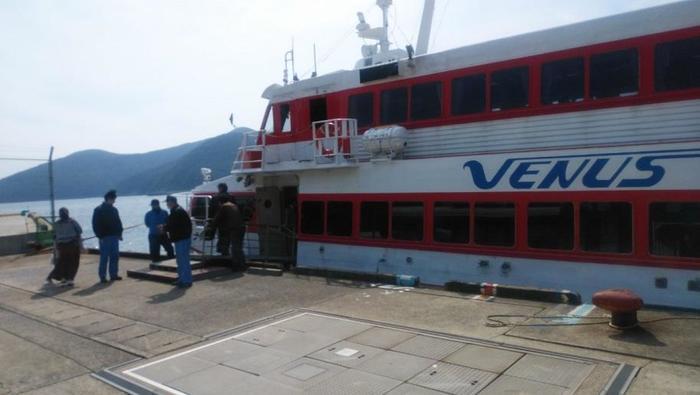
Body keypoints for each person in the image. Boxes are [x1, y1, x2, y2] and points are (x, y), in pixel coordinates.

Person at [92, 189, 123, 283]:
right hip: (104, 238)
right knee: (104, 258)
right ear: (109, 198)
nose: (115, 201)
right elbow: (95, 224)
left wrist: (119, 233)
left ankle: (113, 275)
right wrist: (99, 236)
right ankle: (102, 276)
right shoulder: (98, 209)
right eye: (114, 199)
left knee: (115, 256)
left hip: (114, 237)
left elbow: (118, 222)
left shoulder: (114, 209)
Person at [47, 208, 84, 287]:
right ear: (68, 213)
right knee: (74, 263)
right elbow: (80, 231)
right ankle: (70, 279)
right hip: (72, 245)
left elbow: (54, 235)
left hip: (61, 246)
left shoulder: (56, 224)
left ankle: (61, 278)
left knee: (62, 262)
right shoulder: (72, 222)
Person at [163, 195, 193, 288]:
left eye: (168, 202)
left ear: (172, 202)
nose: (167, 204)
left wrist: (164, 228)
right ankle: (182, 279)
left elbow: (173, 225)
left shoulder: (177, 211)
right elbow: (174, 224)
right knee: (180, 261)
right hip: (181, 238)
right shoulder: (177, 210)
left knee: (183, 260)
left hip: (182, 239)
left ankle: (186, 281)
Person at [210, 194, 245, 270]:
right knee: (239, 247)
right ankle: (242, 264)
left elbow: (217, 218)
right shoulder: (233, 205)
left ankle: (237, 266)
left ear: (220, 202)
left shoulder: (224, 206)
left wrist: (211, 227)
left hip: (235, 228)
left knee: (235, 248)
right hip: (241, 227)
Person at [213, 183, 230, 254]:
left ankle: (221, 250)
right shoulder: (231, 197)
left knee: (221, 236)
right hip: (229, 221)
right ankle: (225, 250)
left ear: (221, 188)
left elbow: (212, 208)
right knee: (227, 237)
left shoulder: (216, 197)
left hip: (220, 221)